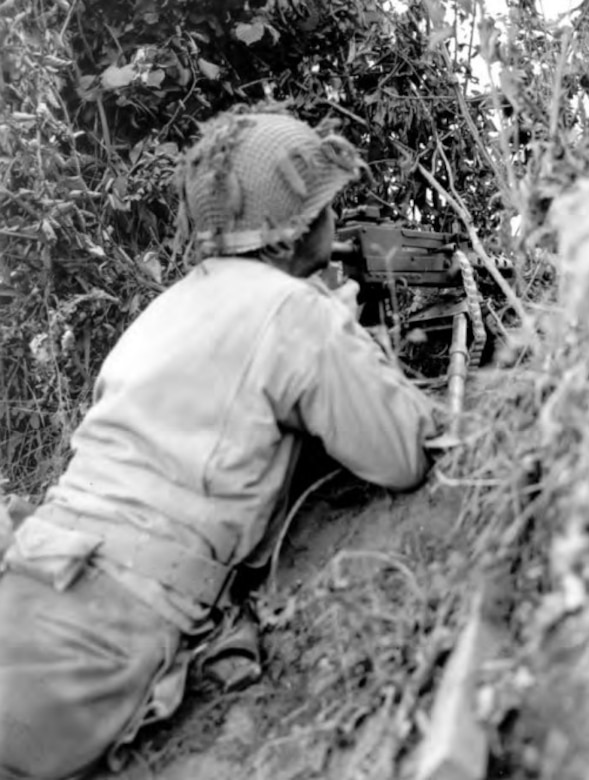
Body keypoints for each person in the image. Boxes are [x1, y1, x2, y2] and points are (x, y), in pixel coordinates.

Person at [0, 106, 440, 780]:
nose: (334, 221)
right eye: (326, 208)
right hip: (107, 629)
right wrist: (340, 332)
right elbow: (401, 454)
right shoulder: (297, 313)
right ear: (296, 232)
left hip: (33, 574)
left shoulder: (167, 305)